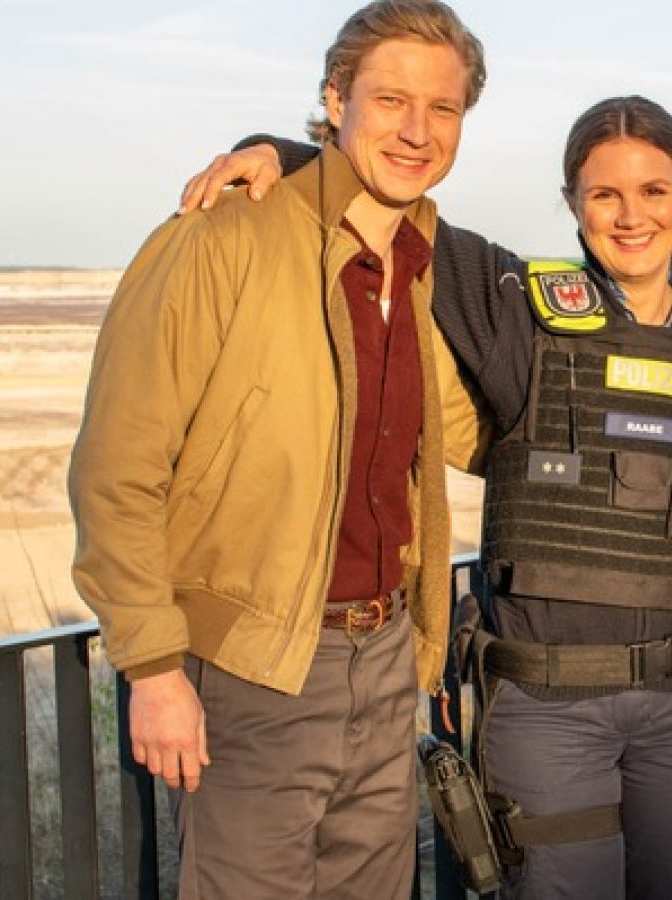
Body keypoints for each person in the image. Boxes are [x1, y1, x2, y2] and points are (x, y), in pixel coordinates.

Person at [184, 95, 672, 900]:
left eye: (654, 191)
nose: (631, 216)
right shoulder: (518, 312)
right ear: (572, 203)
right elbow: (393, 206)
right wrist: (281, 153)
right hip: (548, 712)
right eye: (604, 194)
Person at [67, 2, 489, 897]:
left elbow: (482, 428)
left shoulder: (423, 266)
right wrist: (151, 668)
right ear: (335, 99)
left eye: (442, 109)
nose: (416, 131)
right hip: (248, 669)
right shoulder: (219, 237)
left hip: (383, 660)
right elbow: (117, 467)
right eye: (390, 101)